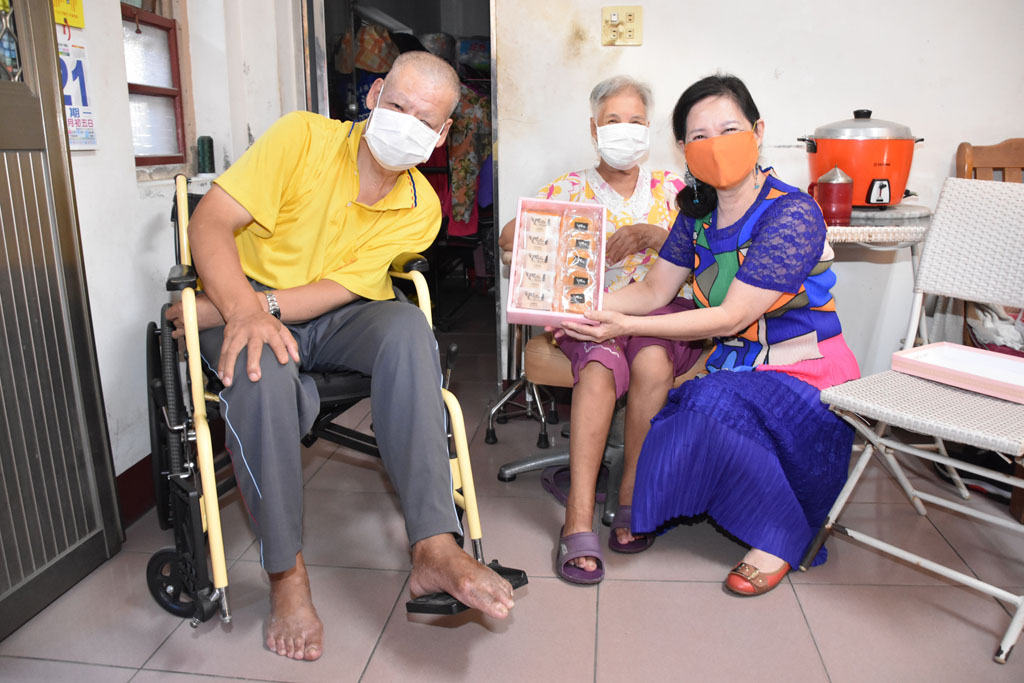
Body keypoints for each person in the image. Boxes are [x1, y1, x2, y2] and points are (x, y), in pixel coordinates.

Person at [165, 51, 515, 661]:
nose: (406, 124)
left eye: (425, 120)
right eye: (397, 105)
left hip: (320, 312)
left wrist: (229, 309)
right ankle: (286, 575)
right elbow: (210, 223)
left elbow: (336, 290)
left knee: (407, 327)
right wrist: (240, 309)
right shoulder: (301, 138)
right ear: (374, 96)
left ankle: (434, 544)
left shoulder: (422, 208)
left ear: (442, 135)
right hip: (243, 298)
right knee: (263, 367)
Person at [561, 74, 860, 596]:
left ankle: (780, 537)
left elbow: (729, 317)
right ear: (683, 148)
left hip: (803, 371)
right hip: (735, 369)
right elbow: (654, 289)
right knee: (684, 416)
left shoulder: (792, 213)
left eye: (729, 129)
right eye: (699, 136)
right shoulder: (695, 212)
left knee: (704, 404)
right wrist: (582, 307)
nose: (715, 144)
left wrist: (627, 326)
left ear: (758, 131)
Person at [498, 76, 703, 584]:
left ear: (649, 130)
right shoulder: (569, 188)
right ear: (594, 130)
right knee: (599, 366)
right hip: (592, 314)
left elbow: (709, 259)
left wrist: (656, 237)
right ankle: (579, 515)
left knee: (652, 358)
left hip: (659, 314)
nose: (625, 130)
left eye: (636, 121)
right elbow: (510, 237)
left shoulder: (676, 191)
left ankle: (631, 493)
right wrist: (565, 231)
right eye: (613, 120)